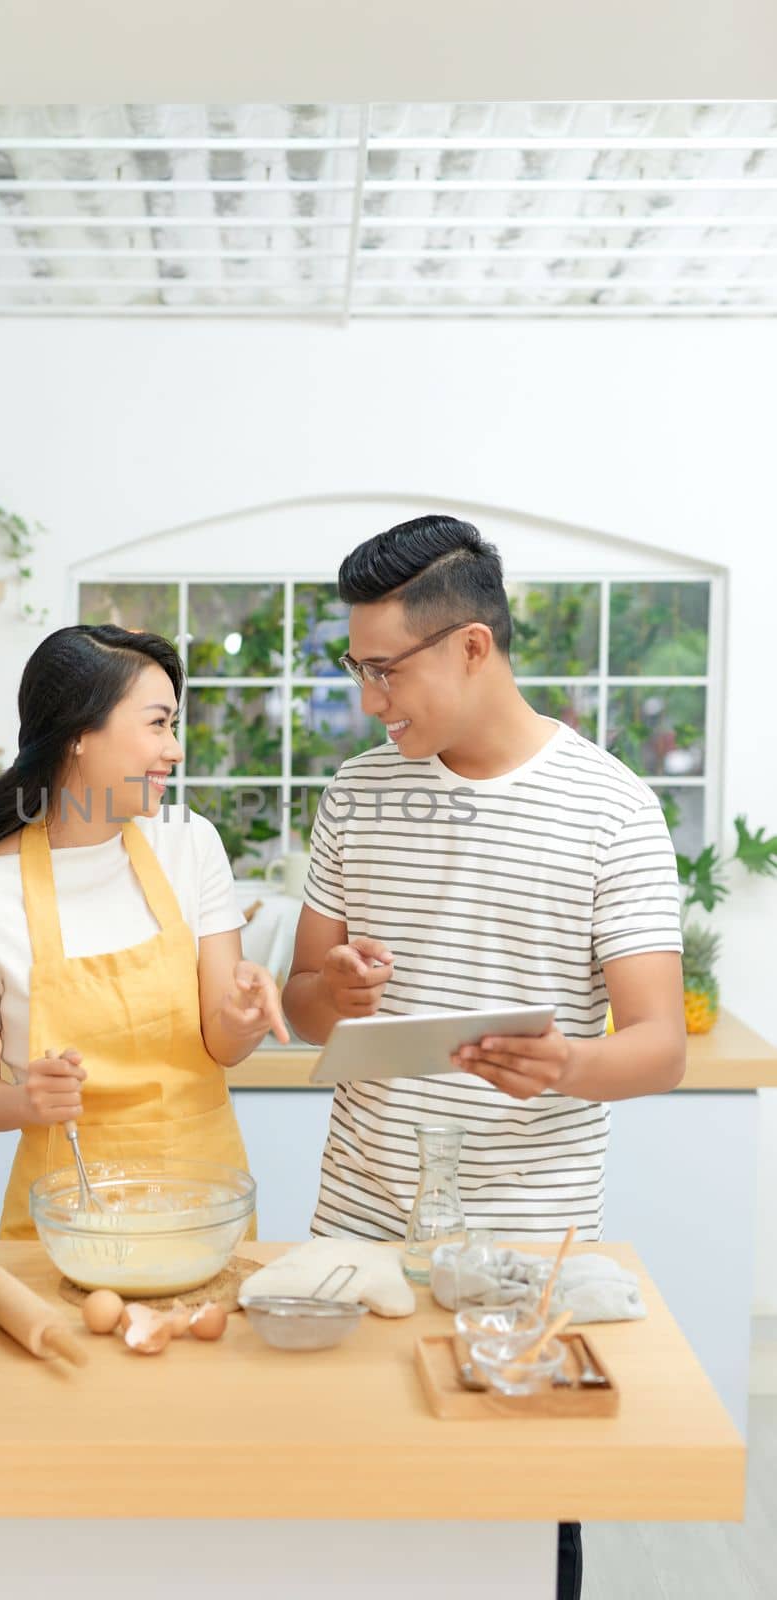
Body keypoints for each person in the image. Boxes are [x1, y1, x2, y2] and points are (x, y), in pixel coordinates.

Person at [282, 516, 686, 1600]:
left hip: (523, 1251)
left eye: (386, 669)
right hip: (357, 1233)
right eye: (358, 669)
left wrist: (565, 1064)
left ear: (471, 646)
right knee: (352, 1533)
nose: (372, 699)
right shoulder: (359, 793)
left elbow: (659, 1046)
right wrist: (336, 989)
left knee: (509, 1541)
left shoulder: (614, 809)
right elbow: (302, 1007)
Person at [0, 623, 287, 1240]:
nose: (174, 749)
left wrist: (245, 1018)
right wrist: (25, 1102)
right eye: (157, 724)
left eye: (172, 726)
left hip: (204, 1210)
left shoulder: (190, 844)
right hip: (67, 1223)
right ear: (79, 735)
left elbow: (221, 1043)